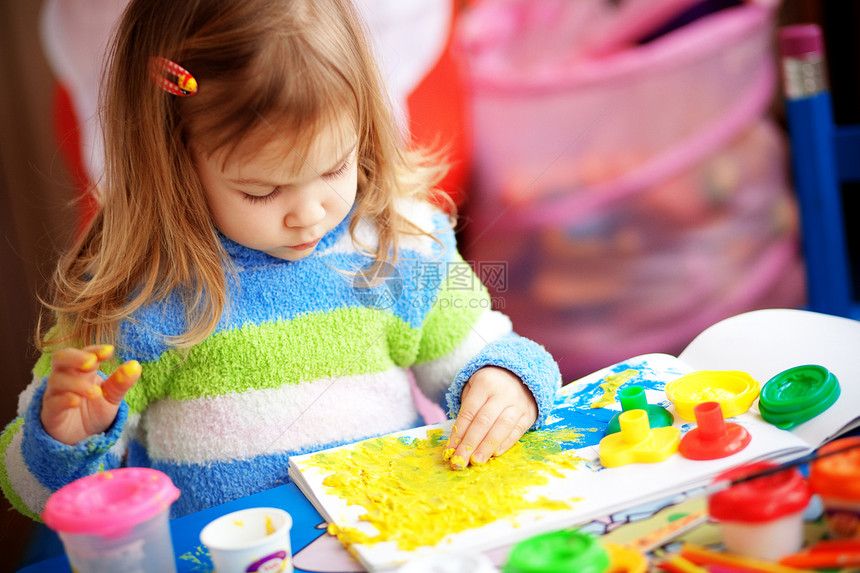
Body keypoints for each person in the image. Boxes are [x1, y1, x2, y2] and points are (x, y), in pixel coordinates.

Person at [1, 0, 560, 520]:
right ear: (172, 164)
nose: (310, 214)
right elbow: (39, 495)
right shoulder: (136, 295)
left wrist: (507, 379)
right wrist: (63, 440)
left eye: (336, 167)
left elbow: (486, 354)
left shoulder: (400, 241)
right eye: (262, 191)